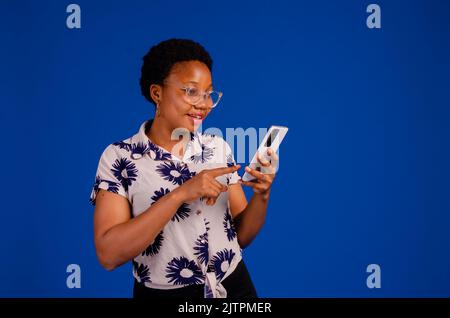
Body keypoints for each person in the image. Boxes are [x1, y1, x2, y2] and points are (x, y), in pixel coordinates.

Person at [90, 38, 278, 298]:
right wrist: (180, 194)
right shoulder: (119, 158)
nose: (203, 104)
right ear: (157, 93)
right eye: (191, 91)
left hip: (234, 286)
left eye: (208, 93)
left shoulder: (218, 147)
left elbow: (241, 236)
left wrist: (262, 194)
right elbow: (108, 255)